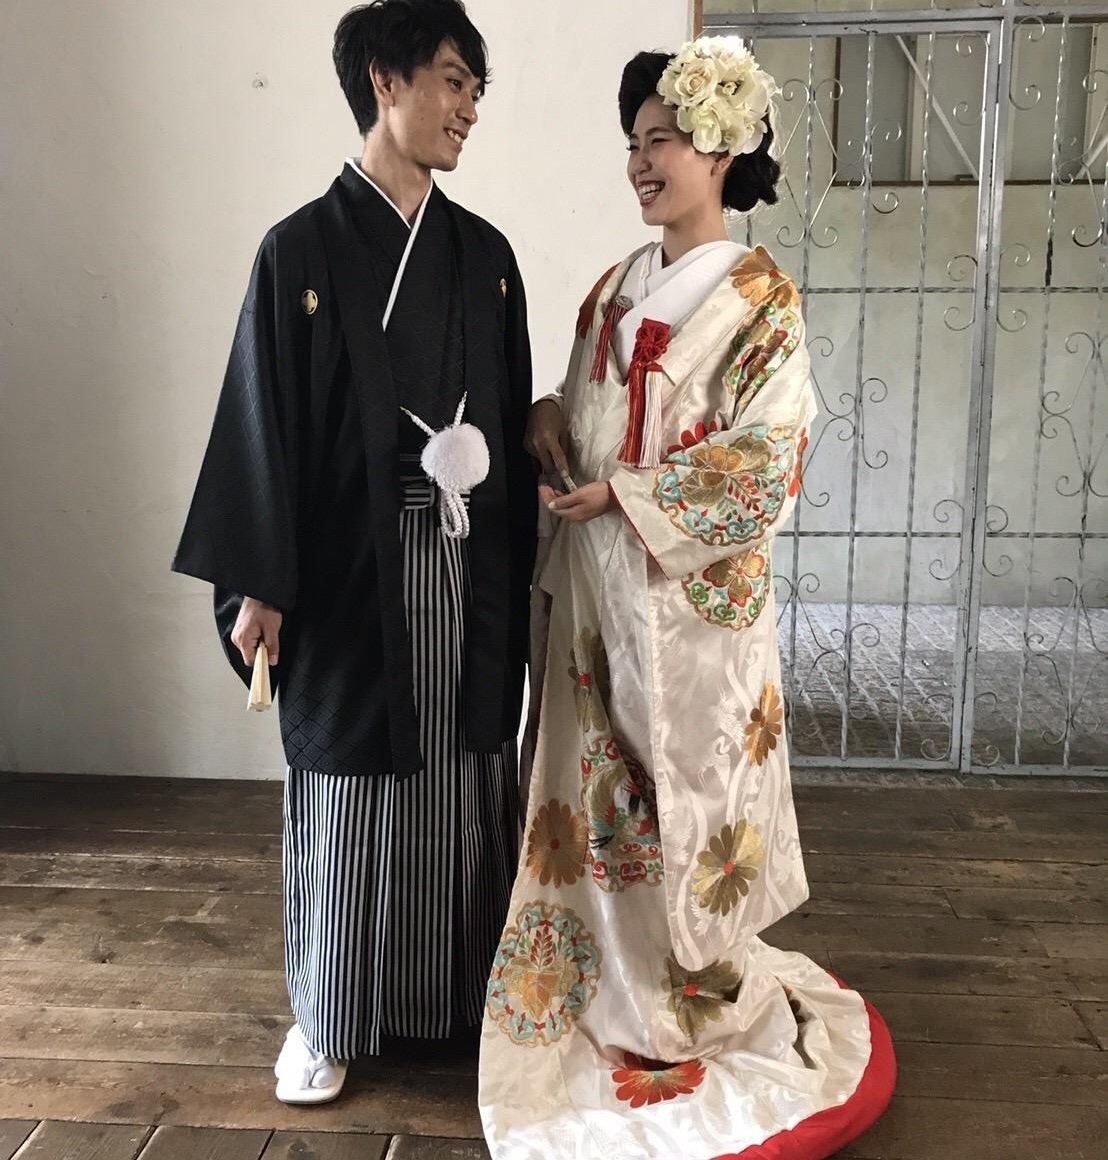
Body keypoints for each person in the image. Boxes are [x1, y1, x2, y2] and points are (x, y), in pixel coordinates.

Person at [479, 37, 895, 1158]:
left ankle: (692, 998)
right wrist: (546, 418)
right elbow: (581, 406)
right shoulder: (613, 287)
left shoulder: (761, 298)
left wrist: (628, 493)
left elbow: (768, 458)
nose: (640, 162)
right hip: (595, 598)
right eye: (634, 142)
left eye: (661, 139)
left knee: (690, 797)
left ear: (718, 150)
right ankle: (606, 983)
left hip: (692, 610)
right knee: (597, 798)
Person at [172, 0, 535, 1106]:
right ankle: (329, 1013)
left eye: (476, 88)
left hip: (465, 561)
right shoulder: (300, 251)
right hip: (346, 573)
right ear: (385, 80)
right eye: (453, 80)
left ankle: (456, 1004)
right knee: (349, 787)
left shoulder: (485, 257)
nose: (470, 107)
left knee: (460, 779)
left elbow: (509, 418)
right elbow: (262, 425)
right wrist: (258, 582)